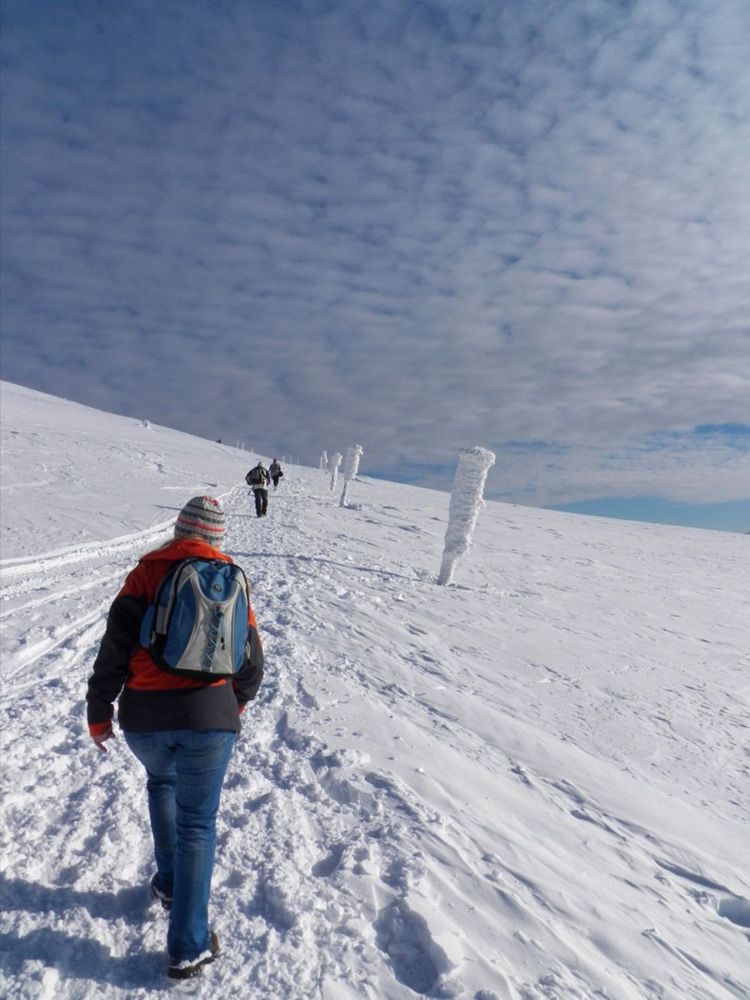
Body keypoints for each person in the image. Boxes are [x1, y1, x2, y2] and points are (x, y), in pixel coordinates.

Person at [86, 496, 264, 980]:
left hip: (145, 716)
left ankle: (167, 884)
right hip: (211, 719)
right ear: (216, 538)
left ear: (180, 529)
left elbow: (114, 649)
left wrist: (99, 712)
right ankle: (188, 945)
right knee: (197, 826)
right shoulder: (233, 579)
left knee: (160, 785)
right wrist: (233, 703)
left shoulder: (147, 572)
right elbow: (250, 661)